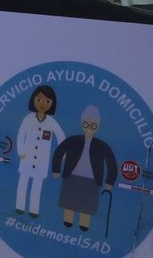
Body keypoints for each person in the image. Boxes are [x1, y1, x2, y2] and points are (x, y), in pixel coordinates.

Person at [51, 106, 118, 231]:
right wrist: (56, 170)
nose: (89, 127)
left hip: (92, 181)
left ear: (97, 126)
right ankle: (68, 221)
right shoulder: (73, 141)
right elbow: (59, 151)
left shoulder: (101, 146)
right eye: (86, 123)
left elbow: (111, 163)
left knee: (87, 205)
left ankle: (84, 224)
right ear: (82, 123)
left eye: (92, 125)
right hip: (72, 177)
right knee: (69, 202)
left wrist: (109, 182)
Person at [15, 84, 65, 217]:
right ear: (33, 100)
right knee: (23, 182)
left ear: (52, 104)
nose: (42, 104)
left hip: (42, 161)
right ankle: (20, 206)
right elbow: (21, 135)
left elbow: (61, 137)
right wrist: (21, 152)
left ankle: (33, 210)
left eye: (47, 101)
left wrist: (62, 156)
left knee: (37, 186)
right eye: (39, 100)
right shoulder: (28, 119)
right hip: (27, 157)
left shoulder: (52, 122)